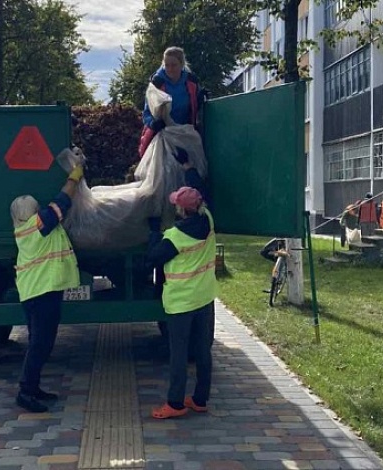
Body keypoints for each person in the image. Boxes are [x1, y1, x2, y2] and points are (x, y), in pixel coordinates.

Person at [145, 147, 216, 419]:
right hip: (205, 297)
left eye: (177, 203)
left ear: (182, 211)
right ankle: (200, 399)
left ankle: (175, 404)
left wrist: (153, 232)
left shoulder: (174, 237)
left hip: (181, 303)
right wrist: (187, 164)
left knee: (179, 355)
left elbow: (153, 259)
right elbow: (200, 188)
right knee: (202, 351)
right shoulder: (207, 220)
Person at [10, 164, 85, 413]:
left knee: (38, 342)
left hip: (33, 293)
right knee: (40, 345)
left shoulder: (23, 229)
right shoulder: (38, 224)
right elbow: (62, 201)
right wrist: (74, 176)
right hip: (42, 294)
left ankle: (33, 388)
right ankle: (26, 391)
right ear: (31, 212)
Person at [138, 46, 206, 158]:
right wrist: (152, 123)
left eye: (174, 65)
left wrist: (200, 98)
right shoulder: (157, 84)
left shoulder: (191, 83)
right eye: (167, 65)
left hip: (185, 134)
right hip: (162, 134)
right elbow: (146, 112)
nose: (170, 69)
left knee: (190, 167)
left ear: (182, 64)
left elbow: (195, 109)